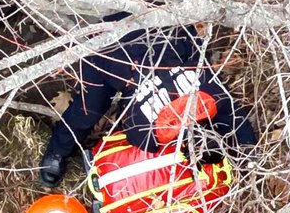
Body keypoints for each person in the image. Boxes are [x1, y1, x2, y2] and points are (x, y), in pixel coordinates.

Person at [36, 18, 259, 187]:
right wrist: (248, 160)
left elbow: (236, 119)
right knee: (88, 110)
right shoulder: (143, 132)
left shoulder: (210, 91)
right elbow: (236, 120)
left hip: (156, 22)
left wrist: (249, 158)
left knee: (193, 49)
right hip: (109, 45)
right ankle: (57, 151)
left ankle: (57, 153)